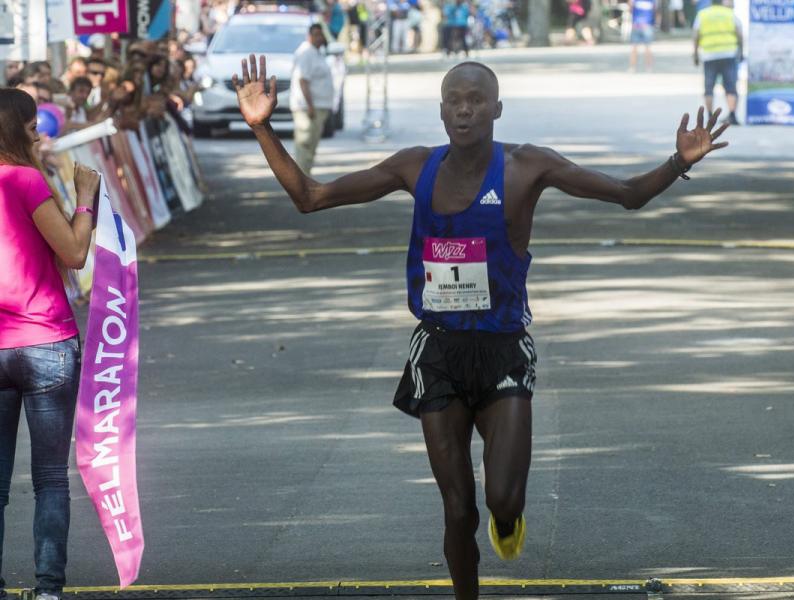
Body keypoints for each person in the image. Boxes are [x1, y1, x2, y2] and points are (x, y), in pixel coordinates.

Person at [231, 56, 728, 600]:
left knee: (502, 501)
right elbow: (311, 197)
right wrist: (261, 126)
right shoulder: (414, 167)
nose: (465, 110)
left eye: (475, 100)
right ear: (442, 111)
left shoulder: (527, 166)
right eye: (454, 100)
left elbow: (627, 194)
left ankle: (509, 521)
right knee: (457, 506)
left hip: (503, 350)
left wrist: (677, 162)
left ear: (497, 108)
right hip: (438, 353)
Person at [0, 87, 102, 600]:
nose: (39, 130)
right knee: (49, 479)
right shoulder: (24, 180)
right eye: (31, 123)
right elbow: (74, 252)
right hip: (44, 342)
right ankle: (47, 587)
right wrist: (85, 197)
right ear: (15, 129)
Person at [291, 24, 336, 175]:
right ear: (309, 36)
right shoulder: (306, 52)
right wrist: (310, 106)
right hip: (308, 108)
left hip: (318, 106)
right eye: (316, 34)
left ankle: (306, 178)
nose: (320, 38)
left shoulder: (316, 52)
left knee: (311, 147)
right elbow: (303, 80)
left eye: (321, 34)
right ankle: (302, 180)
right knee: (305, 145)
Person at [693, 0, 742, 125]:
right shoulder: (730, 14)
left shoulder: (702, 14)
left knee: (709, 87)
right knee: (730, 86)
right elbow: (739, 33)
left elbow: (696, 34)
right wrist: (740, 51)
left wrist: (695, 54)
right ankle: (732, 115)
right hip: (728, 54)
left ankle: (710, 116)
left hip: (709, 55)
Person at [628, 0, 657, 72]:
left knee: (635, 47)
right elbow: (655, 11)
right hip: (646, 25)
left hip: (637, 24)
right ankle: (648, 68)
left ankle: (632, 68)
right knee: (647, 47)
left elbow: (630, 9)